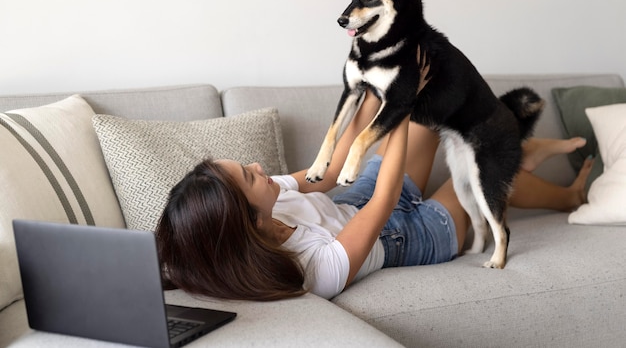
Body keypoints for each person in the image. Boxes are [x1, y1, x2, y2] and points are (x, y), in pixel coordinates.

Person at [155, 91, 593, 301]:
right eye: (249, 178)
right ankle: (568, 196)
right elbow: (384, 206)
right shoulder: (311, 270)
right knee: (478, 176)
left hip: (355, 200)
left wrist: (368, 99)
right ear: (249, 222)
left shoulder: (264, 202)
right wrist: (395, 116)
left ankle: (514, 151)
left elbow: (324, 175)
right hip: (408, 235)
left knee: (434, 109)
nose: (257, 168)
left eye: (245, 167)